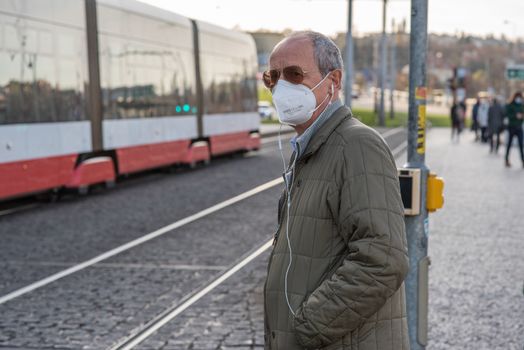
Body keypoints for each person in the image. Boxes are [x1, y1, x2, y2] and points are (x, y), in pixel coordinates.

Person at [263, 31, 409, 350]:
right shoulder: (313, 147)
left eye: (293, 74)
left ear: (333, 80)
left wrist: (309, 327)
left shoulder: (356, 145)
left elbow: (383, 259)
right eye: (272, 77)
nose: (280, 86)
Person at [504, 91, 524, 167]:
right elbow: (507, 115)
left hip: (519, 128)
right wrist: (515, 116)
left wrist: (521, 117)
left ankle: (522, 161)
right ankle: (506, 159)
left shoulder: (521, 105)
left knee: (521, 145)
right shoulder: (510, 105)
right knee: (509, 144)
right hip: (511, 127)